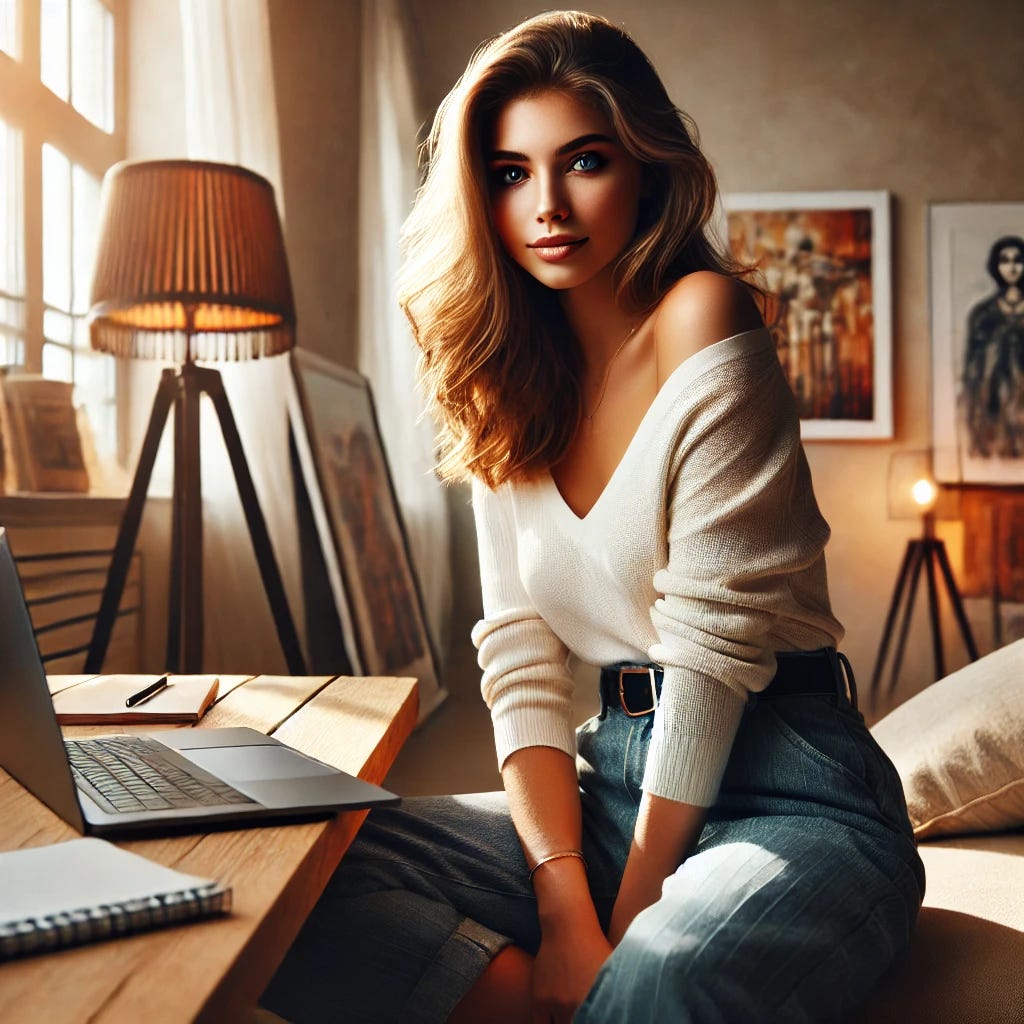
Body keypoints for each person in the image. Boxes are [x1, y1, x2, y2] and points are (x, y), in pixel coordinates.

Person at [261, 11, 924, 1022]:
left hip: (789, 787)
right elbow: (521, 656)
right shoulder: (497, 376)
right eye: (510, 171)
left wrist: (627, 919)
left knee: (662, 972)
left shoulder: (701, 316)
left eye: (583, 161)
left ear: (645, 170)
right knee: (293, 877)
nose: (547, 205)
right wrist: (564, 910)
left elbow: (708, 656)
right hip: (608, 776)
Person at [962, 235, 1024, 458]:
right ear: (996, 266)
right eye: (1005, 260)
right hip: (994, 402)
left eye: (1018, 260)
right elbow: (972, 370)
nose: (1012, 267)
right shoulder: (983, 314)